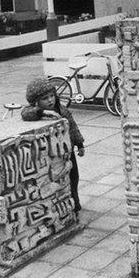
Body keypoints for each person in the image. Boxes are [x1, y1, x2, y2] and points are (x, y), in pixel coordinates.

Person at [21, 77, 85, 212]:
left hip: (68, 151)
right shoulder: (35, 111)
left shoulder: (62, 110)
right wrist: (42, 112)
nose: (50, 100)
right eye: (45, 98)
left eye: (52, 96)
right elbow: (25, 113)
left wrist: (79, 144)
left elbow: (73, 126)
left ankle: (76, 202)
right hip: (54, 154)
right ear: (36, 102)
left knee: (74, 176)